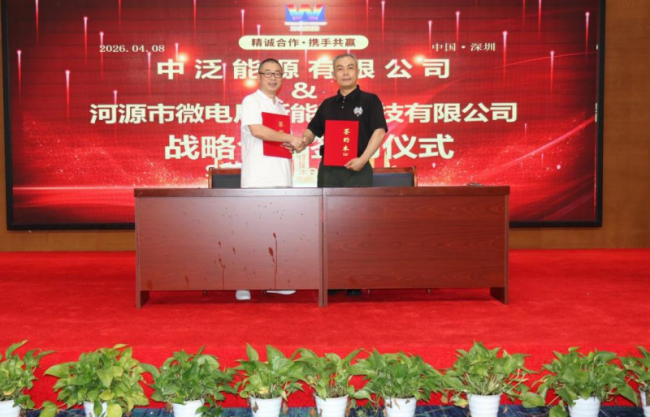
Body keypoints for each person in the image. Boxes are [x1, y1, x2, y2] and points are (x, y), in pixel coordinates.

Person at [300, 53, 388, 295]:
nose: (346, 72)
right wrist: (301, 141)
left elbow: (379, 131)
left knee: (358, 224)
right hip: (329, 171)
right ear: (334, 74)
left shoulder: (370, 100)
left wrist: (363, 159)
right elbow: (312, 130)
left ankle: (355, 278)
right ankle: (333, 278)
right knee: (328, 223)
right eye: (340, 68)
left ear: (358, 72)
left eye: (350, 67)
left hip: (357, 169)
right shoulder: (327, 104)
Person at [237, 58, 303, 301]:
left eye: (277, 73)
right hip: (258, 177)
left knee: (276, 232)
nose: (273, 78)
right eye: (268, 73)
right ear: (259, 76)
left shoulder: (281, 106)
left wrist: (295, 144)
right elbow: (257, 130)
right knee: (252, 231)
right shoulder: (251, 101)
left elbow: (279, 139)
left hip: (281, 176)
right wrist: (290, 137)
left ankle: (272, 280)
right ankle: (242, 283)